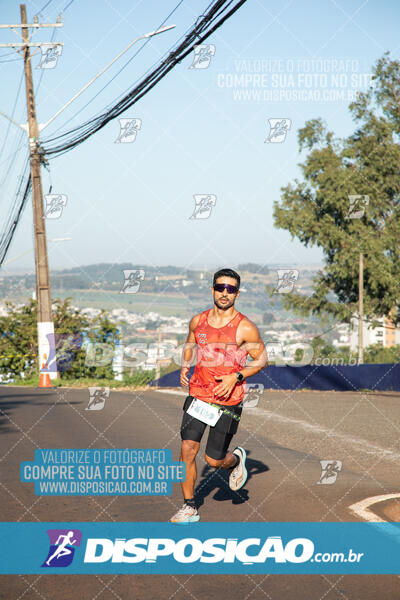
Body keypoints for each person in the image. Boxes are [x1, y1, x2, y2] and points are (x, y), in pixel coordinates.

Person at [170, 268, 268, 524]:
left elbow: (262, 359)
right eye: (221, 287)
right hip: (198, 394)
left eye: (231, 289)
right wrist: (184, 366)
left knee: (213, 460)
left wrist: (236, 377)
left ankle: (236, 459)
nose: (225, 293)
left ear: (237, 293)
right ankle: (189, 507)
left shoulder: (244, 327)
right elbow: (190, 342)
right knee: (187, 449)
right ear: (212, 289)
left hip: (228, 400)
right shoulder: (198, 321)